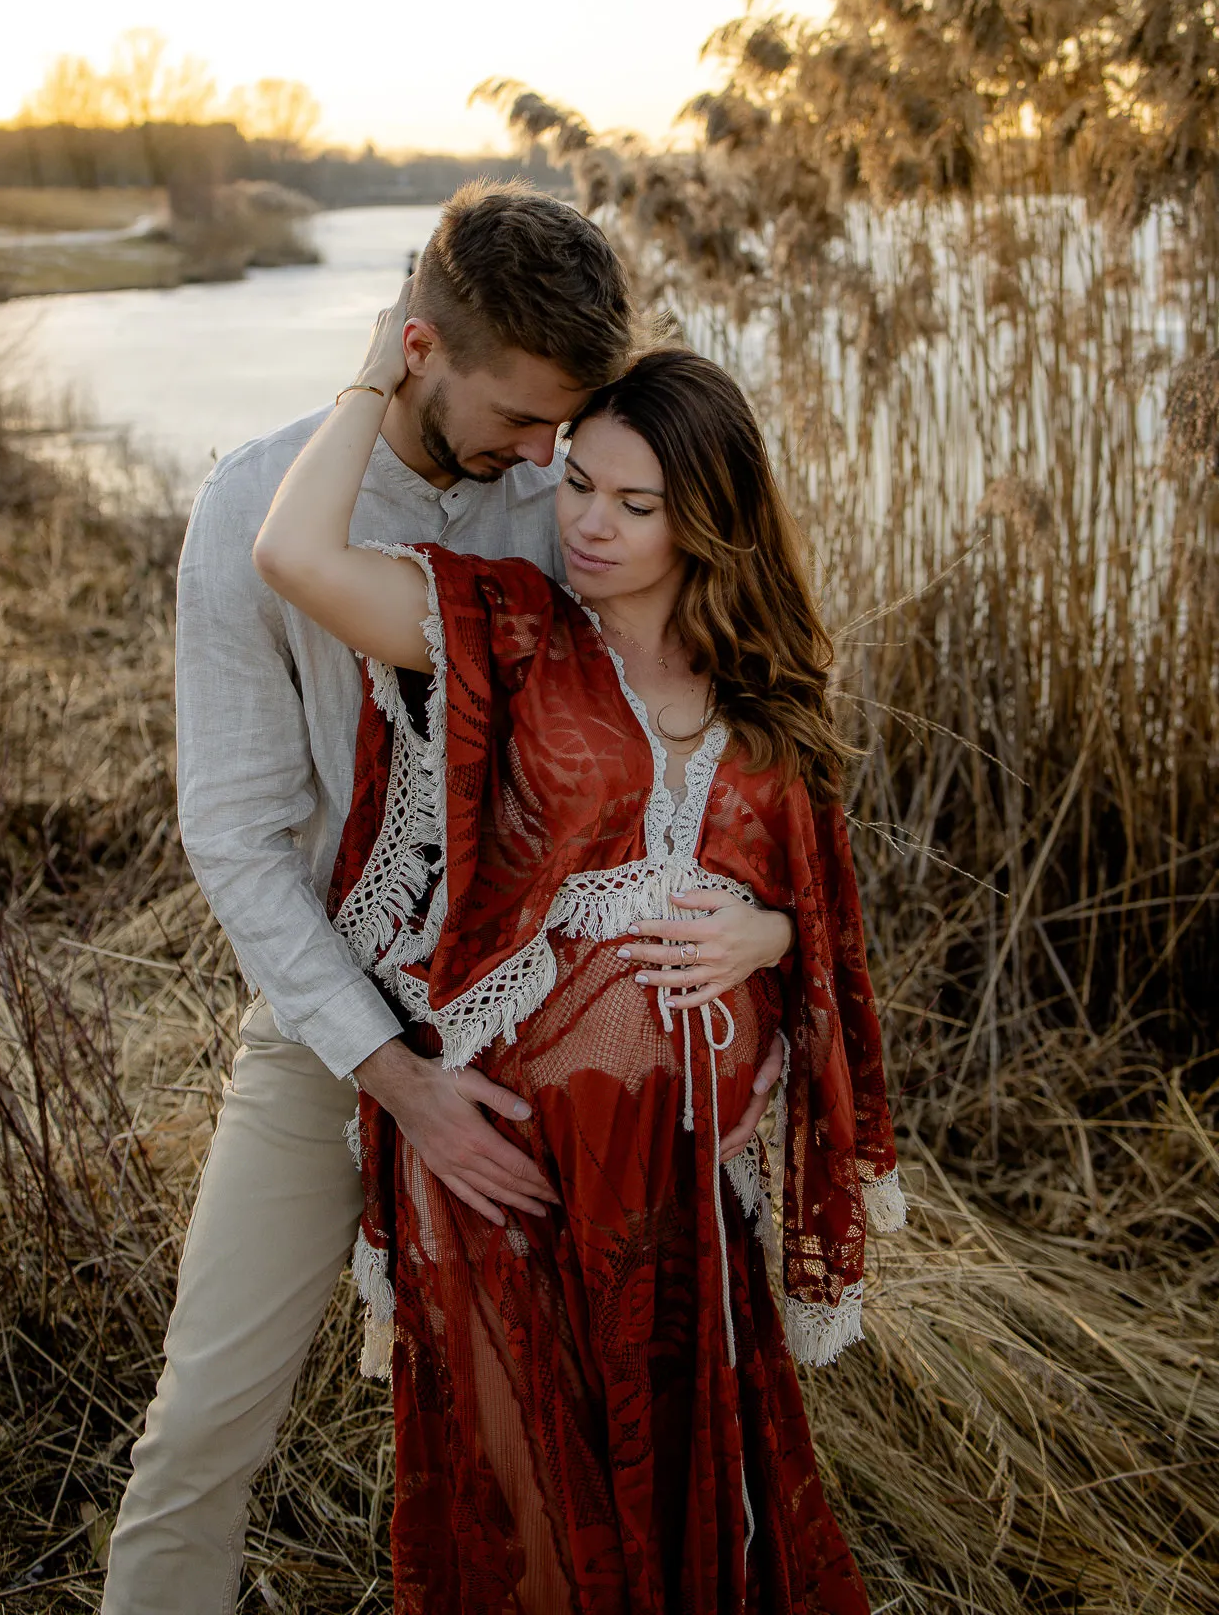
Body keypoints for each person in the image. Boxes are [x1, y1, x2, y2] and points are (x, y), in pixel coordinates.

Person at [102, 182, 786, 1615]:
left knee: (577, 1447)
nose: (544, 457)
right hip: (330, 1033)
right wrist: (392, 1077)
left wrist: (764, 922)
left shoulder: (571, 508)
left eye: (566, 427)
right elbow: (233, 831)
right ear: (419, 346)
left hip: (550, 1054)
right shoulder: (257, 501)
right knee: (202, 1429)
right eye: (523, 420)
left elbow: (722, 732)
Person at [252, 306, 907, 1611]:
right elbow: (295, 555)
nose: (589, 524)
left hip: (682, 1214)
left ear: (706, 520)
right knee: (533, 1525)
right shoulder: (510, 635)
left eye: (635, 503)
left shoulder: (772, 710)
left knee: (682, 1529)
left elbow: (826, 925)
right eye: (578, 486)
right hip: (508, 1183)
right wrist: (385, 367)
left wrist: (768, 933)